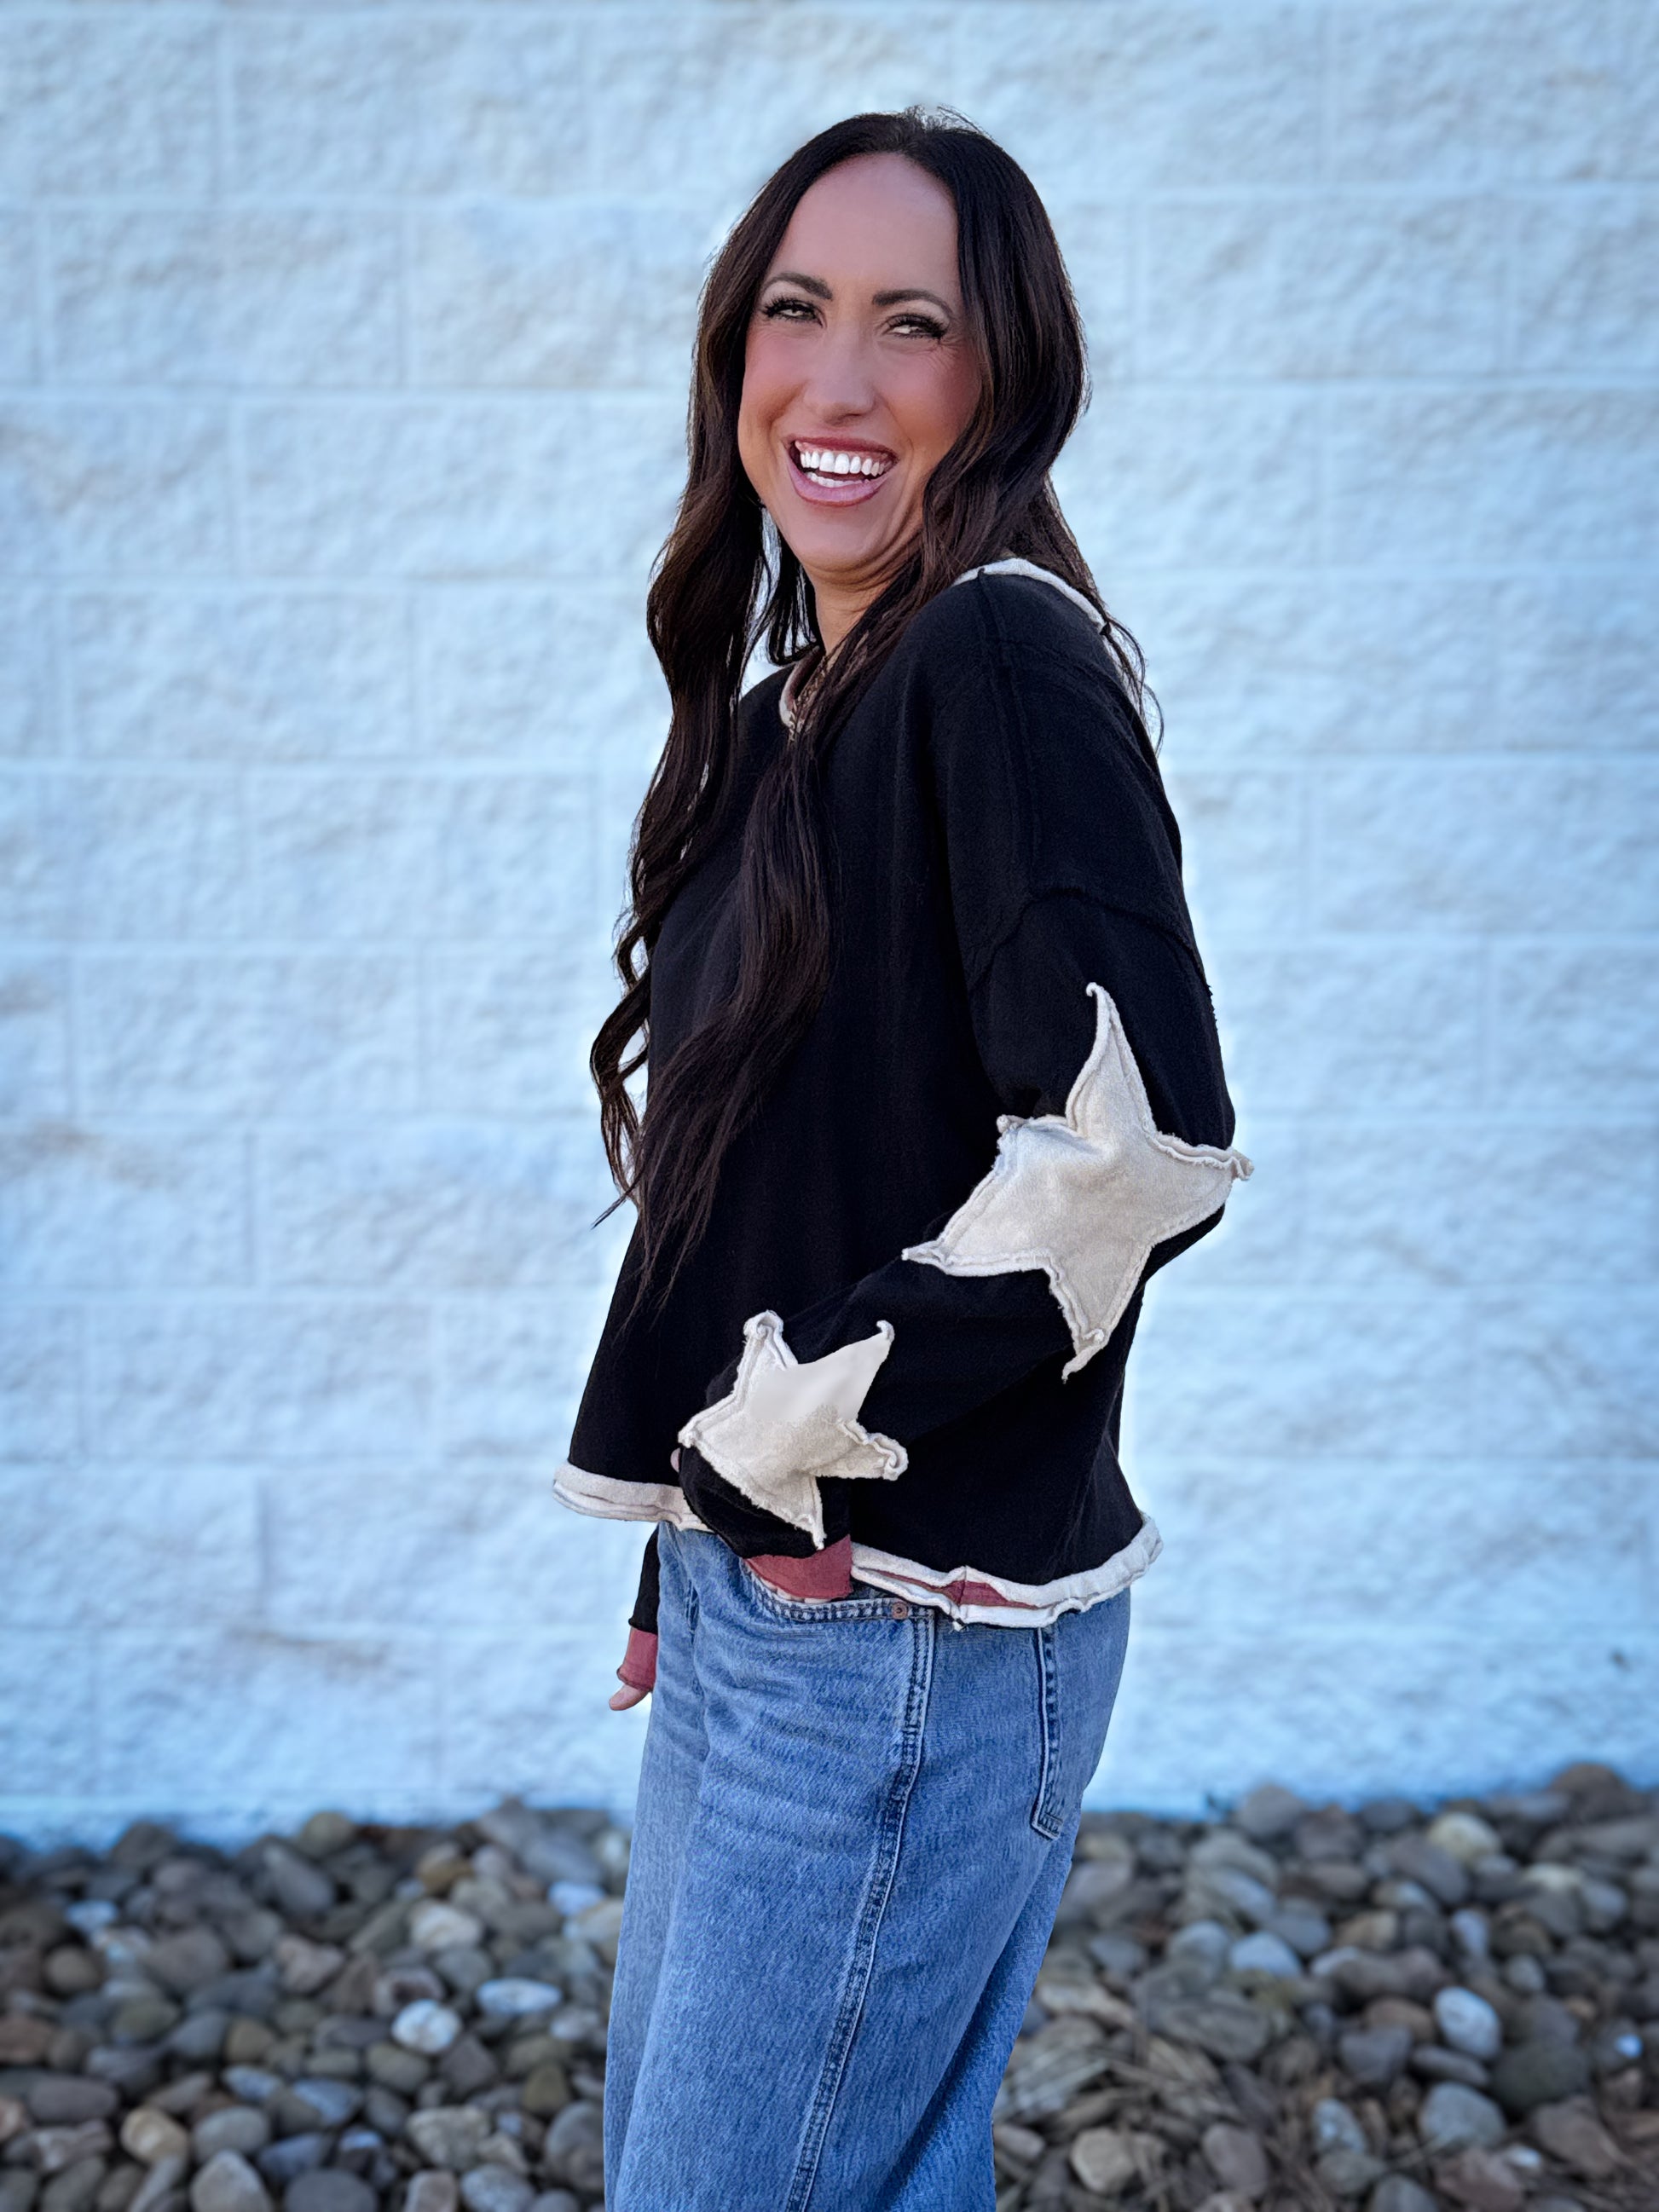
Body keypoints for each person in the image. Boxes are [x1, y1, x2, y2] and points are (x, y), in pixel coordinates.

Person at [553, 107, 1251, 2212]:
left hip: (906, 1624)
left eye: (912, 326)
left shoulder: (999, 653)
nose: (835, 385)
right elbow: (782, 1168)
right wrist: (685, 1515)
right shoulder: (801, 706)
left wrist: (784, 1442)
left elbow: (1134, 1150)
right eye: (795, 310)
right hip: (772, 1591)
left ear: (1002, 374)